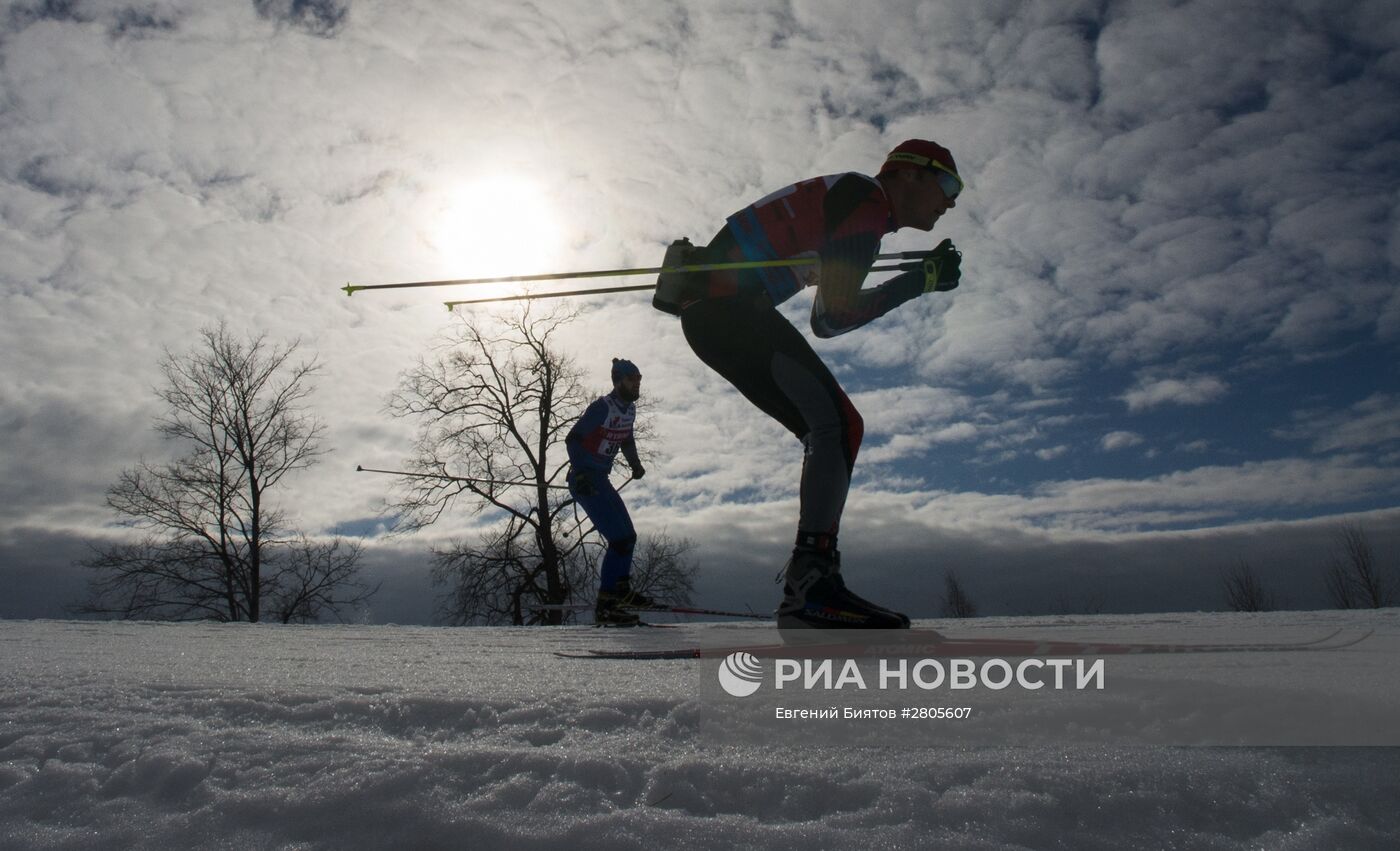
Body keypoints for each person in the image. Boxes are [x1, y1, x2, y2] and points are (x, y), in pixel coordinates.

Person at [670, 139, 965, 629]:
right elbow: (833, 318)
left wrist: (918, 277)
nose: (952, 201)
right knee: (839, 427)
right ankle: (811, 587)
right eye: (949, 184)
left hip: (716, 312)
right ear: (909, 173)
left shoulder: (854, 197)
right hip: (727, 313)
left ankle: (812, 582)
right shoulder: (868, 202)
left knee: (831, 427)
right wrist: (919, 282)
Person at [566, 358, 651, 625]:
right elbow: (573, 438)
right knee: (619, 539)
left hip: (601, 478)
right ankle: (606, 604)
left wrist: (635, 464)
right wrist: (580, 472)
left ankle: (621, 591)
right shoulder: (602, 407)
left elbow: (626, 437)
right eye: (631, 379)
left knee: (629, 536)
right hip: (586, 480)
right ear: (618, 381)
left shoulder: (629, 411)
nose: (637, 383)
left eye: (638, 378)